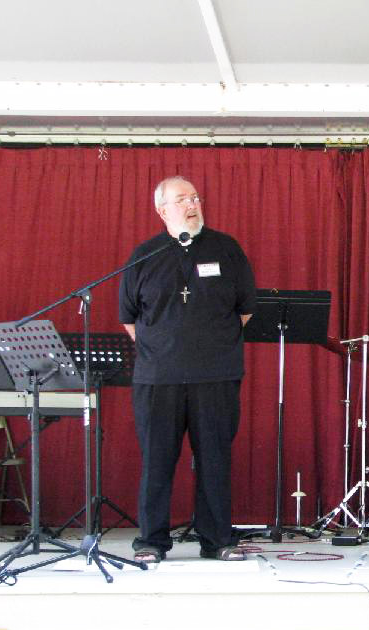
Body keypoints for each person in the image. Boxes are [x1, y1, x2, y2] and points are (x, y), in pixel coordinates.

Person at [119, 176, 257, 562]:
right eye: (181, 199)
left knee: (214, 459)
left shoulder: (226, 249)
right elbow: (129, 318)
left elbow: (245, 310)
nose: (192, 204)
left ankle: (217, 540)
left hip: (215, 375)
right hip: (158, 378)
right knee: (157, 460)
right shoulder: (144, 255)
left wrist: (206, 345)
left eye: (195, 198)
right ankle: (151, 541)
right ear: (162, 210)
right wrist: (165, 349)